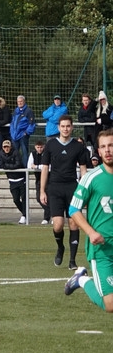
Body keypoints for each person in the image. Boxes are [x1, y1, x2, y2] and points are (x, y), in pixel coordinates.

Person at [64, 128, 113, 311]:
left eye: (111, 146)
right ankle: (82, 280)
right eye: (103, 147)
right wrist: (91, 233)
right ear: (98, 151)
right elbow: (73, 209)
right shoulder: (91, 178)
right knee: (110, 305)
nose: (107, 150)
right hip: (102, 249)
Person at [40, 115, 91, 269]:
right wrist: (42, 190)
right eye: (63, 126)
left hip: (72, 188)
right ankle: (60, 247)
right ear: (58, 128)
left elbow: (83, 170)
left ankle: (72, 261)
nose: (65, 129)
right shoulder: (51, 145)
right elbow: (45, 169)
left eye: (68, 126)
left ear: (72, 127)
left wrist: (84, 190)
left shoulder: (78, 146)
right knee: (58, 225)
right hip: (54, 188)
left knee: (74, 222)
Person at [0, 139, 27, 224]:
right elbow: (1, 164)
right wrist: (10, 166)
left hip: (21, 179)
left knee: (24, 199)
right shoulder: (1, 154)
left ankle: (24, 215)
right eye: (4, 147)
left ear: (10, 147)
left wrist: (7, 166)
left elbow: (18, 164)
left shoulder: (16, 152)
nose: (6, 148)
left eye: (8, 147)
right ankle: (24, 213)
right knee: (16, 200)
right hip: (11, 180)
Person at [27, 139, 50, 224]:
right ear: (35, 147)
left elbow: (48, 166)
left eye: (41, 147)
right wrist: (41, 166)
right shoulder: (32, 154)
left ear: (44, 147)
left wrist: (37, 166)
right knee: (38, 198)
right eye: (38, 147)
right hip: (38, 179)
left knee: (49, 198)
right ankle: (50, 212)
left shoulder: (47, 153)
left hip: (48, 179)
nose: (39, 149)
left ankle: (46, 218)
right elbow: (29, 166)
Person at [10, 94, 35, 166]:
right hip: (15, 135)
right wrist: (11, 132)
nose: (19, 103)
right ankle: (16, 166)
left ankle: (25, 168)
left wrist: (26, 132)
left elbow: (31, 123)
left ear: (24, 101)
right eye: (18, 101)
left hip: (23, 135)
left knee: (24, 152)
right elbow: (12, 122)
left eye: (21, 101)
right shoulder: (15, 111)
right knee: (15, 152)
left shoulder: (28, 111)